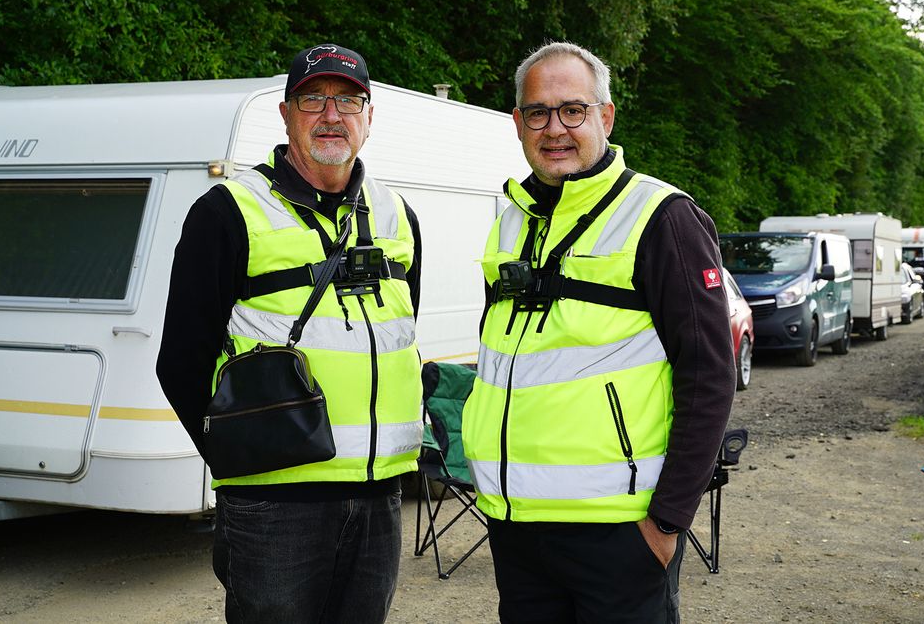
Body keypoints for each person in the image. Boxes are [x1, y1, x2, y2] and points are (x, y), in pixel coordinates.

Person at [462, 41, 735, 623]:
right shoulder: (512, 220)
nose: (554, 128)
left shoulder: (662, 217)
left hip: (620, 532)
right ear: (518, 123)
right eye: (538, 112)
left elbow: (710, 374)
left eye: (573, 110)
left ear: (605, 117)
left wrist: (666, 522)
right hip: (517, 527)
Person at [156, 43, 423, 623]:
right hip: (275, 504)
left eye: (349, 100)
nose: (332, 115)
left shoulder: (397, 215)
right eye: (313, 100)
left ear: (369, 116)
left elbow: (399, 337)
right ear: (285, 114)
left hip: (380, 497)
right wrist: (240, 460)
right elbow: (180, 360)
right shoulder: (228, 211)